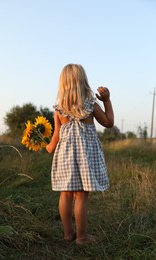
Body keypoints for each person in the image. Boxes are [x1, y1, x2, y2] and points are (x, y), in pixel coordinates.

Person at [46, 64, 114, 245]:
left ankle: (68, 233)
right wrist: (107, 100)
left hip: (65, 156)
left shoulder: (59, 108)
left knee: (66, 194)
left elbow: (56, 135)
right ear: (83, 81)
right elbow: (108, 122)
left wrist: (48, 147)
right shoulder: (91, 104)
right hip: (85, 155)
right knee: (81, 195)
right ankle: (82, 237)